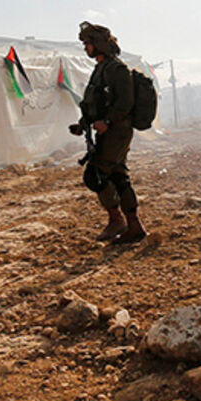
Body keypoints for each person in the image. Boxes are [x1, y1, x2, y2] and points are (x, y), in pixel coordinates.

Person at [72, 22, 145, 243]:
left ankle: (117, 221)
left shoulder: (117, 69)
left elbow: (125, 102)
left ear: (99, 44)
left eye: (88, 43)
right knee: (117, 175)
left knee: (96, 175)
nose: (86, 48)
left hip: (117, 130)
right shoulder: (100, 69)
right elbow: (95, 102)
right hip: (107, 131)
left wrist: (107, 121)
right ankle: (133, 226)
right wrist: (83, 123)